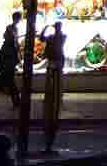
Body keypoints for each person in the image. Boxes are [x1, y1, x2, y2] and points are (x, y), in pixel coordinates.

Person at [42, 22, 65, 153]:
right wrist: (46, 28)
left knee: (54, 78)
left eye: (57, 27)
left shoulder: (60, 36)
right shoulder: (56, 36)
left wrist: (46, 29)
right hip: (55, 60)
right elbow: (41, 39)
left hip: (56, 60)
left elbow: (42, 39)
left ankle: (55, 93)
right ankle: (54, 93)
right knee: (52, 77)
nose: (57, 29)